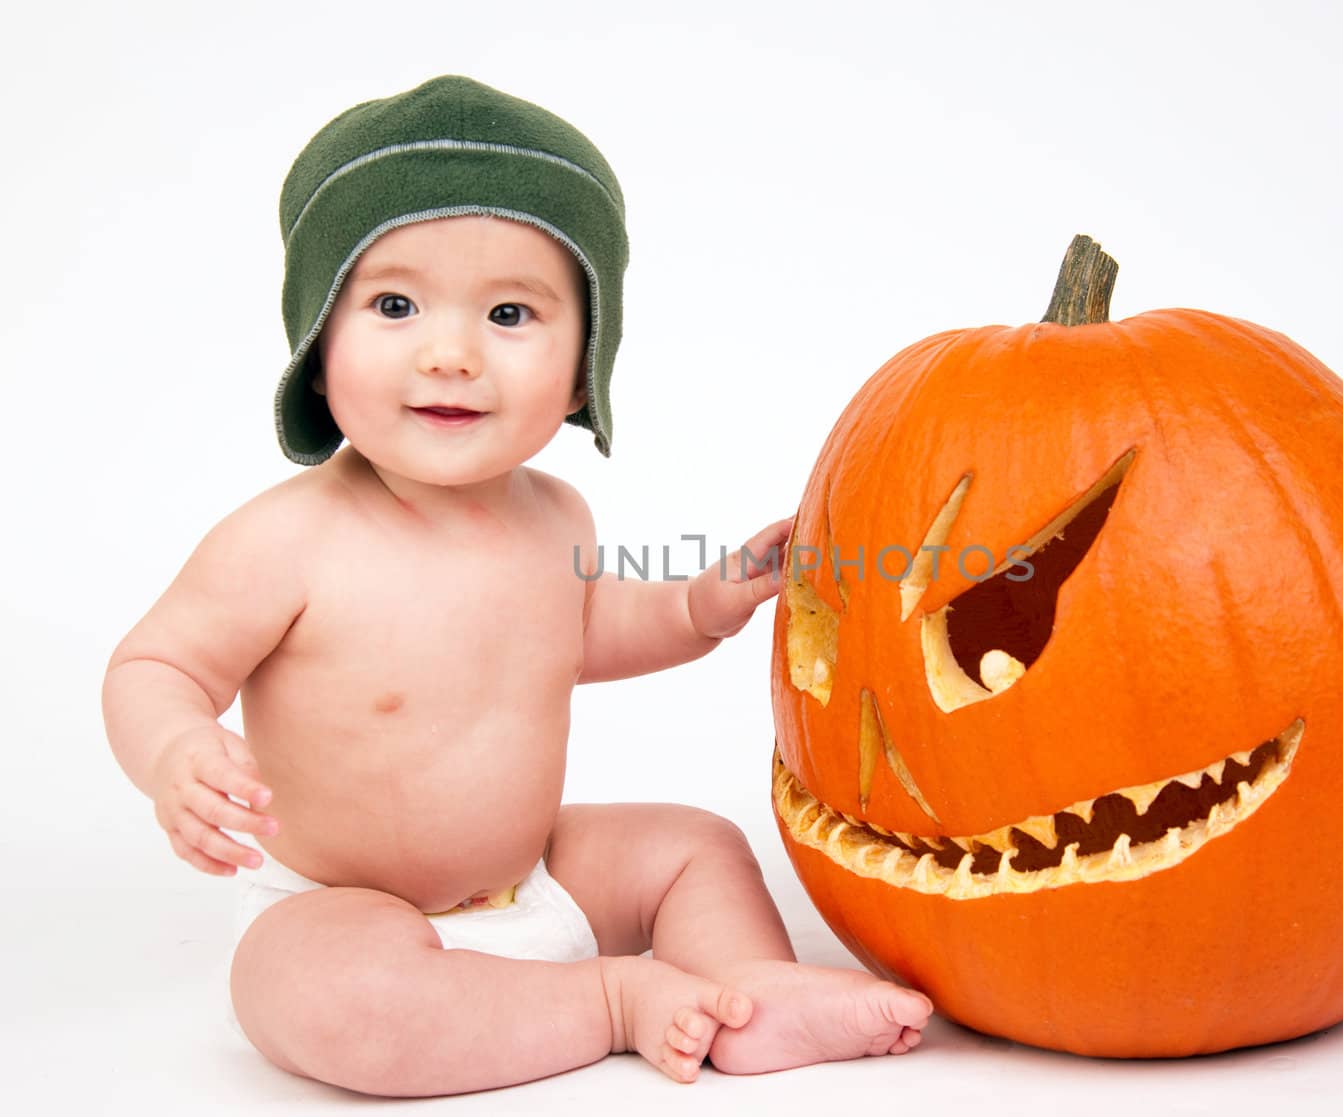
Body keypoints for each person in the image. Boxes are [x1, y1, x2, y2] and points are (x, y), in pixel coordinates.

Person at [101, 74, 931, 1098]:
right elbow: (155, 663)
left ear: (584, 370)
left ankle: (754, 993)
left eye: (508, 312)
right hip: (336, 899)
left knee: (694, 844)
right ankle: (620, 1000)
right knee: (342, 1006)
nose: (450, 354)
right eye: (395, 305)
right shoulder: (286, 539)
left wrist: (692, 608)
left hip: (535, 871)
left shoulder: (555, 515)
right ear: (319, 348)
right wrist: (176, 748)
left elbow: (582, 630)